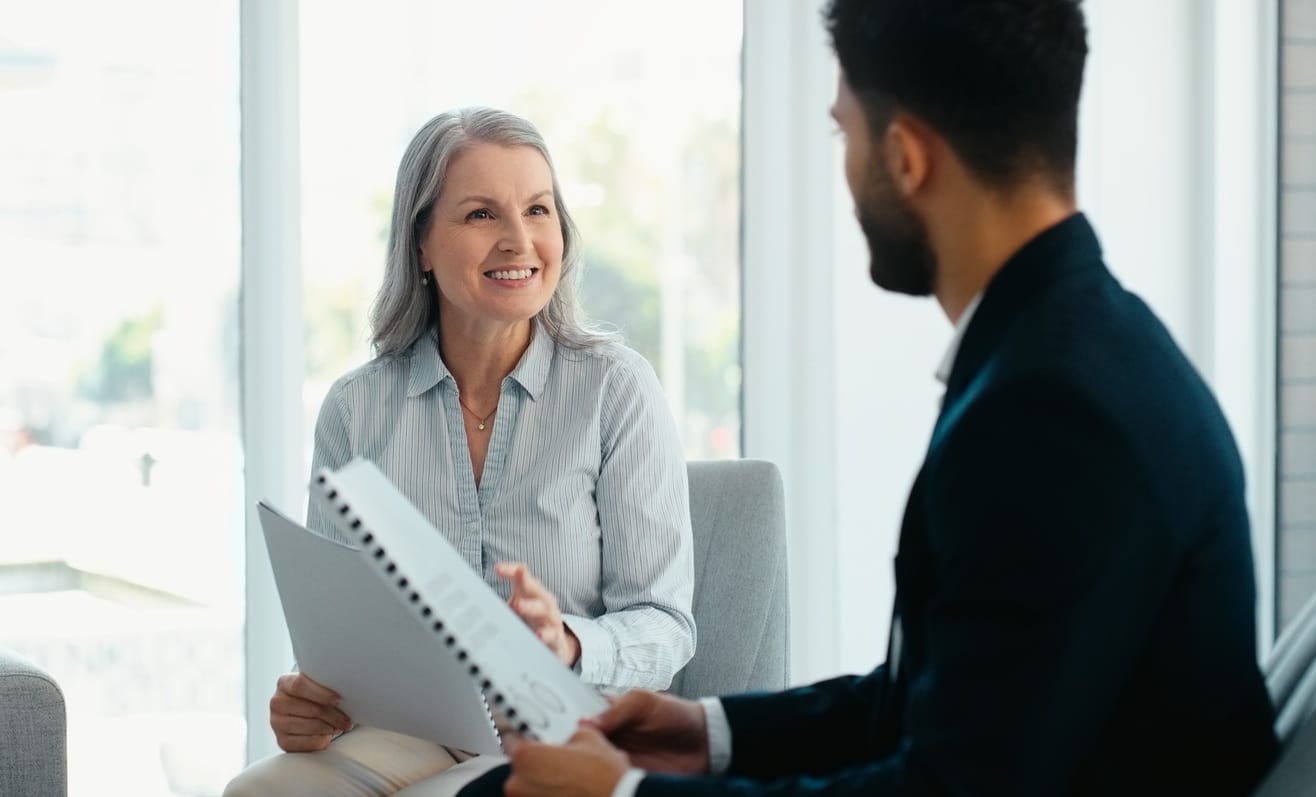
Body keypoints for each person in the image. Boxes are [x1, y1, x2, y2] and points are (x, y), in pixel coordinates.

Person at [464, 1, 1282, 795]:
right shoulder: (1076, 347)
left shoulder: (1051, 413)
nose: (846, 169)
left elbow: (947, 784)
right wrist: (710, 734)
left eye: (842, 132)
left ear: (907, 158)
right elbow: (955, 697)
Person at [224, 107, 696, 797]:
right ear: (421, 243)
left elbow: (667, 625)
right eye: (481, 215)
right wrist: (310, 702)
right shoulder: (356, 409)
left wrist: (566, 642)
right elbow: (337, 636)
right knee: (261, 791)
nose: (519, 239)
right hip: (410, 735)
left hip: (566, 734)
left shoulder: (615, 390)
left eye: (537, 209)